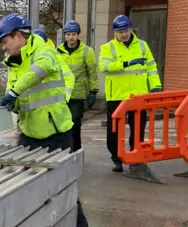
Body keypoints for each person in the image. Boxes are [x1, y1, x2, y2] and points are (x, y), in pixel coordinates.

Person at [0, 13, 96, 227]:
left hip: (56, 134)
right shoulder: (12, 63)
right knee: (26, 195)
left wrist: (13, 94)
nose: (3, 47)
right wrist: (10, 103)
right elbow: (16, 95)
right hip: (29, 135)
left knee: (65, 194)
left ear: (19, 35)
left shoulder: (44, 51)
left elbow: (37, 72)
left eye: (5, 40)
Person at [98, 15, 161, 172]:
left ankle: (135, 158)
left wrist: (155, 85)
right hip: (116, 95)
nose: (124, 34)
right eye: (120, 32)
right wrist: (125, 64)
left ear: (131, 29)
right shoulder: (108, 47)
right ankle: (117, 158)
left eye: (126, 31)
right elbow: (103, 66)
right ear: (115, 33)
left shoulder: (142, 45)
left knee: (138, 129)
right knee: (114, 131)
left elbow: (151, 67)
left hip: (138, 95)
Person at [57, 20, 99, 152]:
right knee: (62, 125)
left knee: (75, 123)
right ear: (65, 35)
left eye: (73, 34)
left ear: (78, 35)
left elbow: (92, 72)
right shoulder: (58, 51)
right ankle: (65, 151)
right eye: (68, 34)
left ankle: (75, 151)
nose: (71, 37)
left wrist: (93, 91)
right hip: (62, 94)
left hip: (78, 93)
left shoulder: (87, 51)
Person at [32, 28, 75, 103]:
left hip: (52, 102)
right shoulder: (29, 56)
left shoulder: (54, 56)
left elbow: (69, 77)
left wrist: (65, 98)